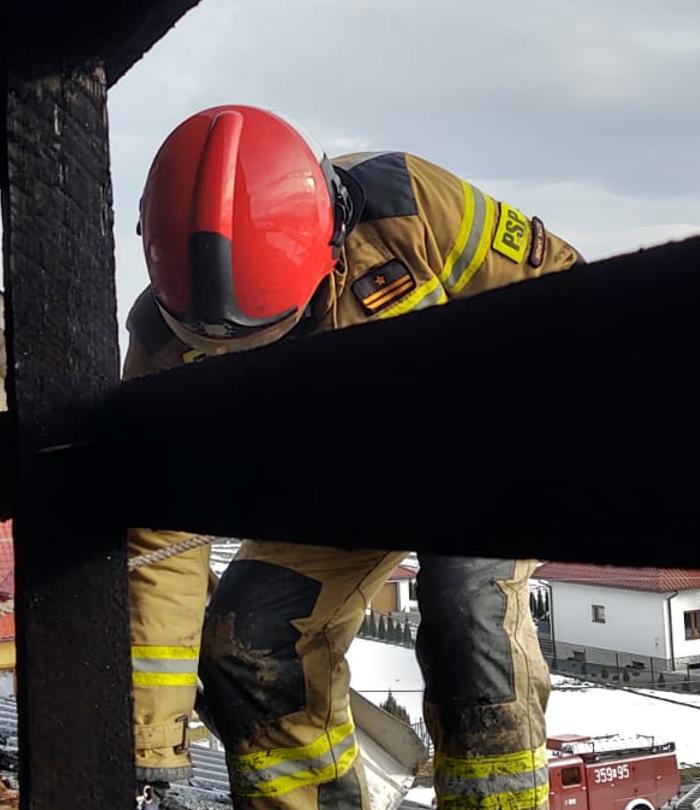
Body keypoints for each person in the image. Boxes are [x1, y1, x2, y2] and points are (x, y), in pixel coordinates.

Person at [125, 105, 584, 810]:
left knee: (467, 609)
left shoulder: (409, 207)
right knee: (242, 644)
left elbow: (563, 302)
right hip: (345, 486)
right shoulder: (163, 339)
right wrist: (151, 739)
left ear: (330, 249)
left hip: (485, 456)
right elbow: (160, 537)